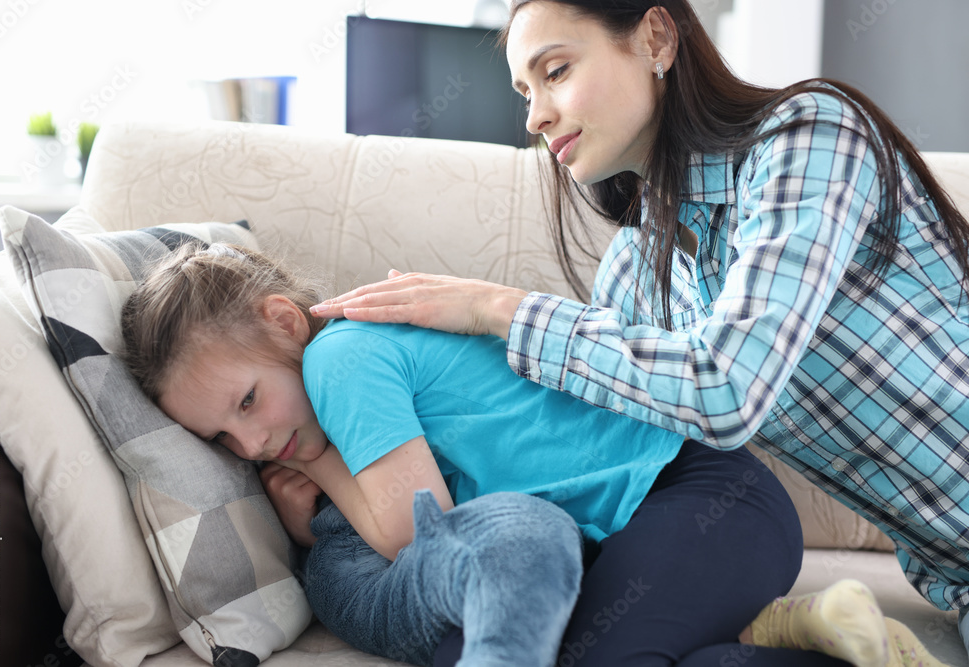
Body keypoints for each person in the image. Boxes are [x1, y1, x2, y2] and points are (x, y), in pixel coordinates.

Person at [306, 0, 969, 665]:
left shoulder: (808, 136)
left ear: (655, 38)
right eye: (525, 92)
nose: (534, 116)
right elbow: (602, 452)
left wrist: (495, 308)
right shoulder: (636, 269)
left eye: (556, 70)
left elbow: (727, 388)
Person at [122, 242, 933, 667]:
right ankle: (795, 633)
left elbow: (417, 534)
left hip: (704, 497)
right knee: (470, 644)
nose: (254, 445)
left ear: (284, 321)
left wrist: (323, 476)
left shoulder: (342, 359)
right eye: (223, 441)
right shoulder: (340, 372)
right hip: (656, 535)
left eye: (248, 402)